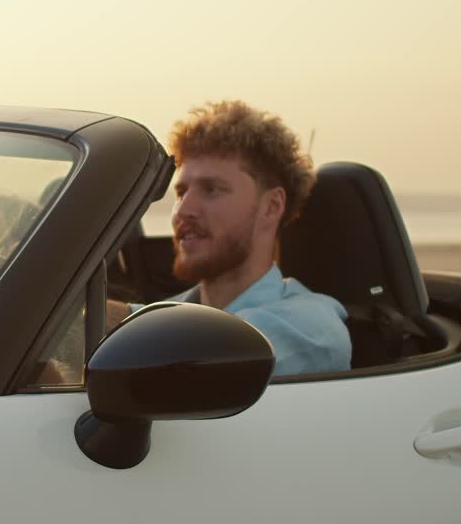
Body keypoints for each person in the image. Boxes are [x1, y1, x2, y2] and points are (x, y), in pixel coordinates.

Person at [107, 100, 351, 377]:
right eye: (181, 192)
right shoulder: (176, 313)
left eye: (212, 189)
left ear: (271, 207)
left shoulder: (313, 328)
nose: (184, 210)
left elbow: (201, 350)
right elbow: (130, 322)